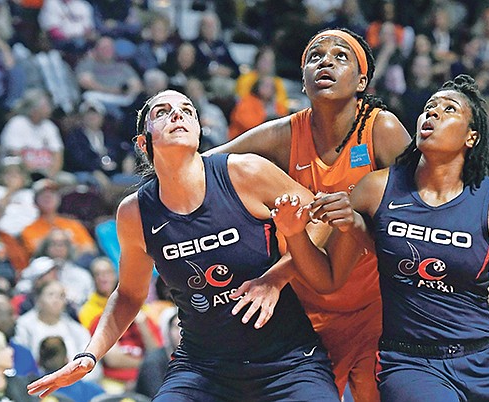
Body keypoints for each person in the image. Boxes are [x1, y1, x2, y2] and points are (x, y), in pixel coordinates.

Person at [272, 74, 489, 401]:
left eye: (449, 109)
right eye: (429, 108)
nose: (433, 113)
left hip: (485, 359)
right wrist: (297, 234)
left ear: (471, 137)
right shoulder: (376, 189)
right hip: (410, 363)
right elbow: (329, 278)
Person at [26, 89, 339, 401]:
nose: (177, 114)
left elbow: (321, 218)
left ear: (199, 130)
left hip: (287, 361)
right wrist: (90, 355)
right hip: (204, 369)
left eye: (187, 110)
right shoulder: (135, 212)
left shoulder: (244, 172)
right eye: (162, 112)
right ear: (143, 142)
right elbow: (128, 296)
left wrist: (276, 277)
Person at [209, 27, 411, 401]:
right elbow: (207, 167)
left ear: (362, 80)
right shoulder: (285, 133)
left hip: (375, 309)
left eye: (340, 56)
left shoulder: (381, 129)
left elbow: (426, 204)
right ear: (302, 81)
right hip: (306, 313)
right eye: (315, 57)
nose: (326, 63)